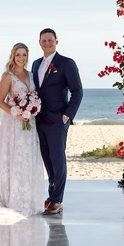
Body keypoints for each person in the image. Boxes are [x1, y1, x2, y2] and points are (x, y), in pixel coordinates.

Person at [0, 42, 45, 216]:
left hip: (30, 122)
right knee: (15, 157)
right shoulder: (8, 76)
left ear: (28, 57)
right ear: (13, 56)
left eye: (24, 55)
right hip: (14, 123)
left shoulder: (32, 74)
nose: (21, 58)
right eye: (18, 55)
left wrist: (33, 108)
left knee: (28, 157)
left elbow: (34, 96)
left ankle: (29, 198)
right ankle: (13, 198)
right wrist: (16, 112)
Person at [32, 29, 83, 215]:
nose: (47, 43)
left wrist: (67, 116)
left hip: (57, 120)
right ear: (39, 42)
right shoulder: (36, 64)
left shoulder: (66, 63)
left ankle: (58, 200)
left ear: (56, 41)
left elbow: (77, 91)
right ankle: (52, 195)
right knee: (47, 160)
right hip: (39, 118)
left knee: (58, 161)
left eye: (50, 40)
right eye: (44, 40)